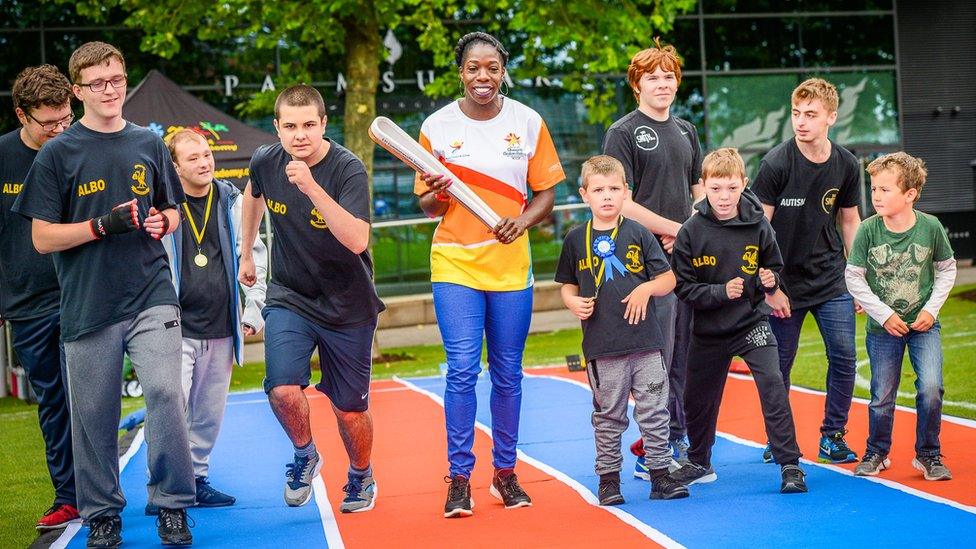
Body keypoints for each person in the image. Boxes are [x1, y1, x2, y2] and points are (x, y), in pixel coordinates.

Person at [12, 42, 196, 547]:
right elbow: (42, 237)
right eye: (97, 83)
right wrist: (100, 225)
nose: (110, 90)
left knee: (164, 391)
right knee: (93, 415)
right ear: (78, 90)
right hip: (88, 302)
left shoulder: (148, 142)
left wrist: (164, 222)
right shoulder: (56, 153)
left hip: (151, 291)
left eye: (116, 79)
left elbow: (173, 211)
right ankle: (102, 513)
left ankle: (173, 505)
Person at [415, 31, 564, 518]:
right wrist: (439, 191)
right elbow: (426, 203)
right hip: (455, 261)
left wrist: (521, 222)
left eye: (493, 68)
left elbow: (545, 194)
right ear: (461, 71)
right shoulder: (437, 126)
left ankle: (505, 473)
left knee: (507, 374)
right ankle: (459, 479)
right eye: (474, 67)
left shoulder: (528, 121)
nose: (484, 76)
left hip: (510, 264)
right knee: (461, 370)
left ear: (503, 71)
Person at [239, 85, 385, 514]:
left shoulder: (347, 169)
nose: (299, 135)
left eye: (308, 125)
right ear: (277, 128)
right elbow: (253, 195)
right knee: (282, 389)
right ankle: (305, 454)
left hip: (348, 304)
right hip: (291, 295)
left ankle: (361, 475)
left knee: (348, 410)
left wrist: (311, 188)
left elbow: (358, 238)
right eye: (290, 126)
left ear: (324, 124)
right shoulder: (266, 160)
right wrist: (246, 251)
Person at [669, 148, 807, 494]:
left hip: (752, 324)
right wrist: (719, 292)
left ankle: (790, 464)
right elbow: (684, 288)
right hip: (708, 329)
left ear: (744, 185)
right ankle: (699, 460)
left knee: (773, 385)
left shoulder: (759, 223)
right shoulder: (690, 231)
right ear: (702, 187)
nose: (724, 197)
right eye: (715, 189)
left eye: (731, 188)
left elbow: (774, 266)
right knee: (697, 398)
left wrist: (771, 281)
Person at [555, 155, 687, 506]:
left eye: (615, 188)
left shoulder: (638, 232)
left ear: (626, 192)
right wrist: (572, 302)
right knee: (609, 416)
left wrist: (646, 289)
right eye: (599, 190)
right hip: (603, 346)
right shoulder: (574, 239)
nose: (607, 196)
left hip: (646, 342)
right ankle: (609, 480)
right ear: (585, 195)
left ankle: (660, 475)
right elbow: (566, 285)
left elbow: (668, 278)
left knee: (654, 411)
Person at [152, 129, 268, 514]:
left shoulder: (231, 201)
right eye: (193, 158)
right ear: (174, 166)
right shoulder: (164, 207)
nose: (204, 162)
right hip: (175, 327)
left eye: (206, 154)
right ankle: (165, 488)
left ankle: (197, 479)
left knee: (207, 413)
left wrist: (253, 308)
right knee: (171, 409)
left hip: (221, 326)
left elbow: (255, 253)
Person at [602, 38, 702, 477]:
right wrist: (671, 230)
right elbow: (618, 200)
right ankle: (653, 451)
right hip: (647, 260)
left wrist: (695, 231)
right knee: (656, 357)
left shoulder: (686, 130)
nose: (662, 84)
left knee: (685, 356)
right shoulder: (622, 132)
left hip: (688, 259)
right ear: (636, 85)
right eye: (652, 78)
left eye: (668, 76)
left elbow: (698, 190)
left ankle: (671, 441)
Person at [751, 77, 862, 464]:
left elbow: (850, 222)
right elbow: (759, 229)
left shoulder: (846, 164)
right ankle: (777, 439)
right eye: (797, 113)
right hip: (784, 284)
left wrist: (859, 277)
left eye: (811, 115)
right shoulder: (777, 162)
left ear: (831, 117)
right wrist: (770, 287)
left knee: (845, 357)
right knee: (779, 366)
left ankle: (833, 436)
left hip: (832, 278)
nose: (801, 122)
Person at [0, 65, 78, 531]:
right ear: (21, 114)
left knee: (89, 396)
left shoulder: (77, 149)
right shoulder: (3, 157)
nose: (58, 129)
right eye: (49, 122)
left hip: (79, 295)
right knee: (53, 402)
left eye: (65, 118)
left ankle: (102, 490)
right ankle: (68, 496)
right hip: (26, 303)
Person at [846, 153, 956, 481]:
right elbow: (854, 276)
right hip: (883, 330)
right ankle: (877, 452)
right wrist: (883, 314)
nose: (876, 196)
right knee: (881, 395)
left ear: (910, 194)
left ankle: (929, 455)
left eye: (884, 189)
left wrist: (930, 310)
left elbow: (947, 270)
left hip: (924, 326)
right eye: (873, 189)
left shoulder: (931, 227)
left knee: (932, 388)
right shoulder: (867, 231)